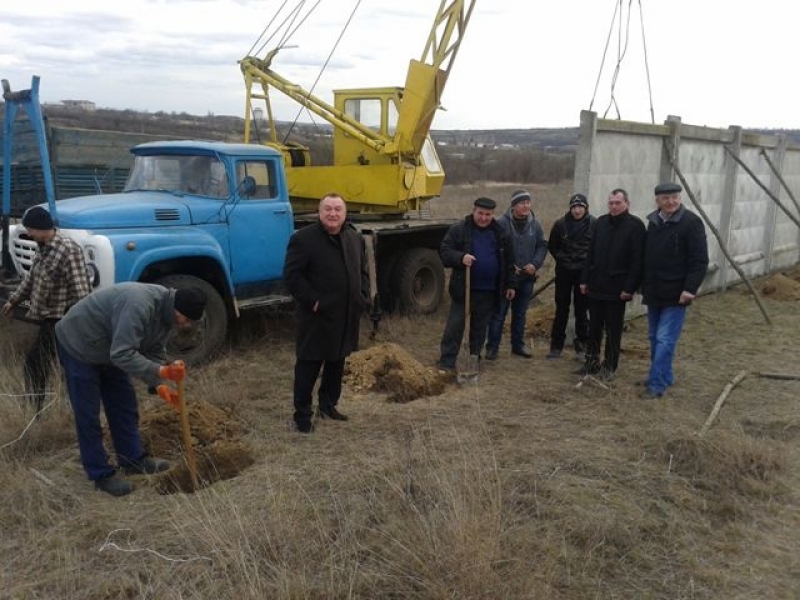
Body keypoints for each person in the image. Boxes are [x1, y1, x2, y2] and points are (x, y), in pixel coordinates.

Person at [54, 282, 207, 496]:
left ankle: (132, 459)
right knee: (88, 414)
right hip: (80, 344)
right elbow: (122, 354)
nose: (186, 325)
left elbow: (153, 349)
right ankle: (101, 474)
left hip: (111, 347)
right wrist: (162, 371)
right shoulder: (140, 304)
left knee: (124, 404)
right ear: (176, 308)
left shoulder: (168, 316)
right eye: (186, 319)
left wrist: (158, 385)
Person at [283, 193, 369, 434]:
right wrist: (314, 301)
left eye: (338, 209)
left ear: (344, 213)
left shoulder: (353, 237)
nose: (333, 214)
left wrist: (362, 295)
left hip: (346, 315)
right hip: (317, 317)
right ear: (319, 212)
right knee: (309, 366)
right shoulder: (303, 239)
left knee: (336, 362)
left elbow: (362, 271)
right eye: (328, 209)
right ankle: (302, 416)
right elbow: (292, 277)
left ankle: (328, 405)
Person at [1, 206, 91, 410]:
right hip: (48, 320)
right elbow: (31, 278)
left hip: (63, 320)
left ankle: (48, 407)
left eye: (31, 230)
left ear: (42, 228)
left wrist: (82, 325)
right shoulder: (43, 248)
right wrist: (13, 301)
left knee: (44, 364)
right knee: (43, 364)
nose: (29, 234)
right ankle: (38, 407)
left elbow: (81, 292)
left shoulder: (68, 250)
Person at [641, 182, 709, 398]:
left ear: (680, 199)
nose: (670, 202)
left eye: (674, 197)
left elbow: (699, 260)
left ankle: (656, 384)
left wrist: (690, 288)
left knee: (664, 339)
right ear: (657, 201)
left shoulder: (691, 223)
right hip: (654, 291)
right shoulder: (654, 222)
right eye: (665, 198)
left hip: (677, 293)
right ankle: (664, 375)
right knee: (654, 337)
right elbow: (648, 257)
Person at [438, 197, 516, 370]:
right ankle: (447, 361)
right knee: (455, 326)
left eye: (488, 214)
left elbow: (509, 261)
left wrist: (510, 284)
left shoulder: (501, 233)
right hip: (464, 289)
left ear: (493, 215)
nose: (483, 218)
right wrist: (460, 257)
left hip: (489, 291)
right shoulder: (459, 230)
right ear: (473, 211)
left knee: (480, 328)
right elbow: (444, 252)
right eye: (480, 213)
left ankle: (473, 357)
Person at [579, 188, 645, 379]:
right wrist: (584, 279)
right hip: (596, 285)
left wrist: (629, 287)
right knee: (593, 328)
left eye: (618, 203)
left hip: (618, 289)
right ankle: (591, 363)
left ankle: (609, 367)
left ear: (627, 204)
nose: (614, 206)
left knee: (613, 330)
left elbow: (637, 261)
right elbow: (589, 254)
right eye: (611, 203)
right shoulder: (600, 223)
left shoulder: (635, 226)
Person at [485, 189, 547, 359]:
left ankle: (518, 345)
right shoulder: (501, 224)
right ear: (514, 206)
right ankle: (492, 347)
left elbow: (542, 245)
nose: (526, 206)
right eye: (522, 203)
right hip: (505, 278)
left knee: (520, 313)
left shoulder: (535, 225)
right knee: (499, 313)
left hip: (527, 278)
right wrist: (508, 267)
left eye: (528, 202)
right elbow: (494, 249)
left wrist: (535, 264)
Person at [546, 193, 595, 359]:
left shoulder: (594, 224)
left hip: (584, 274)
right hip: (564, 272)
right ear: (570, 208)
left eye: (580, 206)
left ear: (585, 208)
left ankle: (582, 347)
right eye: (574, 207)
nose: (577, 210)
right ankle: (556, 346)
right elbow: (552, 246)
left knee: (582, 311)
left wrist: (586, 263)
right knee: (561, 309)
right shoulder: (560, 224)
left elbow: (596, 248)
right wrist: (563, 258)